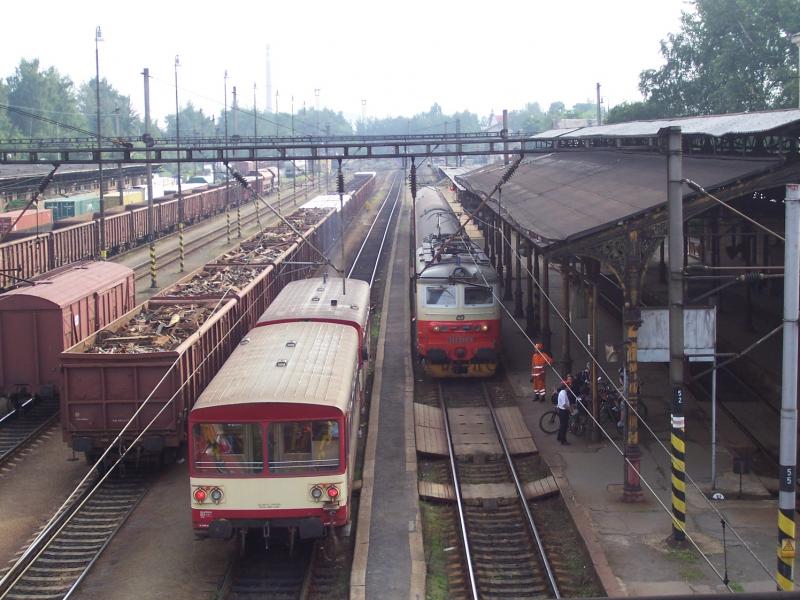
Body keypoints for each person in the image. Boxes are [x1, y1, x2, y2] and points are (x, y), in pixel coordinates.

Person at [556, 374, 573, 446]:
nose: (570, 387)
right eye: (569, 386)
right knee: (564, 426)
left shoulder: (562, 392)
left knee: (562, 425)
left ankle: (559, 437)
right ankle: (563, 440)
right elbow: (564, 404)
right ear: (567, 387)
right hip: (563, 412)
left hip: (561, 411)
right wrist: (570, 409)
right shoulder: (563, 393)